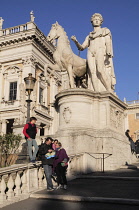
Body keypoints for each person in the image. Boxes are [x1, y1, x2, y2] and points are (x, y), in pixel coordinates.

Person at [71, 13, 116, 92]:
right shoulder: (89, 36)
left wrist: (108, 51)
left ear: (101, 22)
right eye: (95, 20)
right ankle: (95, 92)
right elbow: (81, 48)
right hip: (90, 52)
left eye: (98, 20)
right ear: (92, 22)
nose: (96, 21)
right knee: (92, 73)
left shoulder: (105, 30)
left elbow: (108, 41)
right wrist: (76, 41)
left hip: (100, 50)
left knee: (100, 69)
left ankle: (108, 90)